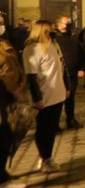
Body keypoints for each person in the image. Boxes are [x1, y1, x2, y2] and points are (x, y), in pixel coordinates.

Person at [24, 20, 69, 173]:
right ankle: (44, 158)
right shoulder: (32, 49)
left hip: (58, 94)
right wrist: (37, 98)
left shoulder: (54, 46)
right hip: (44, 96)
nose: (53, 32)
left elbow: (63, 67)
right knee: (43, 130)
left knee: (51, 130)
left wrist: (67, 87)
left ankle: (47, 157)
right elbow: (31, 77)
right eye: (49, 30)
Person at [0, 35, 27, 188]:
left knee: (6, 135)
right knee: (3, 136)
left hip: (6, 93)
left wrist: (18, 85)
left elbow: (13, 66)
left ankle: (2, 175)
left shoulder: (4, 43)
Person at [54, 15, 84, 130]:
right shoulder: (55, 38)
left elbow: (80, 53)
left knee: (70, 98)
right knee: (57, 99)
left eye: (69, 23)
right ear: (59, 24)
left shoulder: (73, 37)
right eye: (66, 23)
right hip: (59, 72)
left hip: (72, 72)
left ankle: (70, 119)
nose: (68, 25)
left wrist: (81, 68)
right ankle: (55, 123)